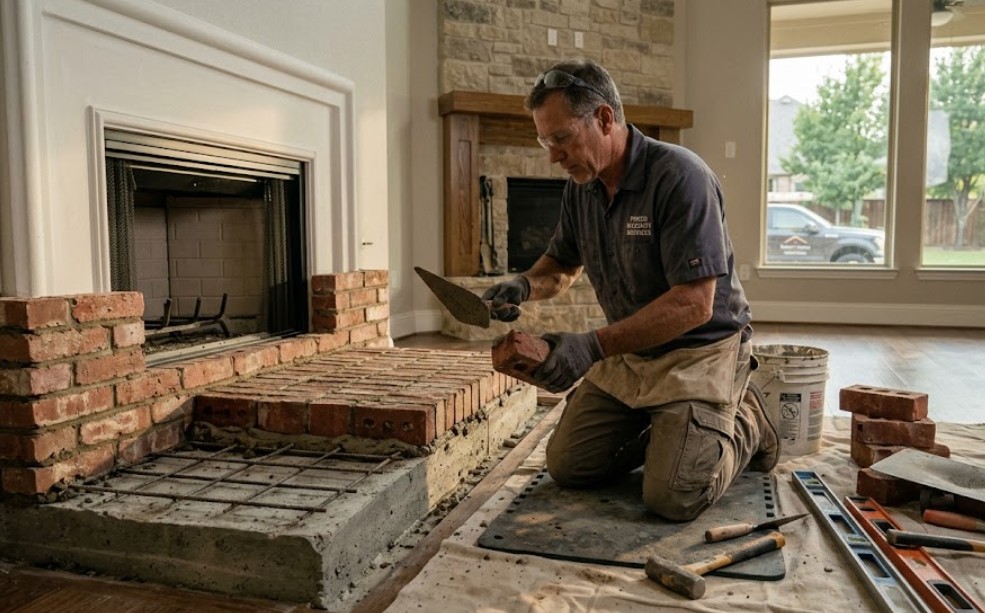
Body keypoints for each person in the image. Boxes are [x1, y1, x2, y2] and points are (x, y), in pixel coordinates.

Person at [482, 59, 779, 521]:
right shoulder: (582, 185)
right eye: (545, 141)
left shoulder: (680, 176)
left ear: (603, 118)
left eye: (560, 138)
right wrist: (522, 284)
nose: (552, 156)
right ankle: (671, 430)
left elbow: (694, 305)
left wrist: (591, 347)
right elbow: (561, 265)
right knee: (570, 467)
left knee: (673, 497)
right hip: (634, 351)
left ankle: (747, 422)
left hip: (698, 351)